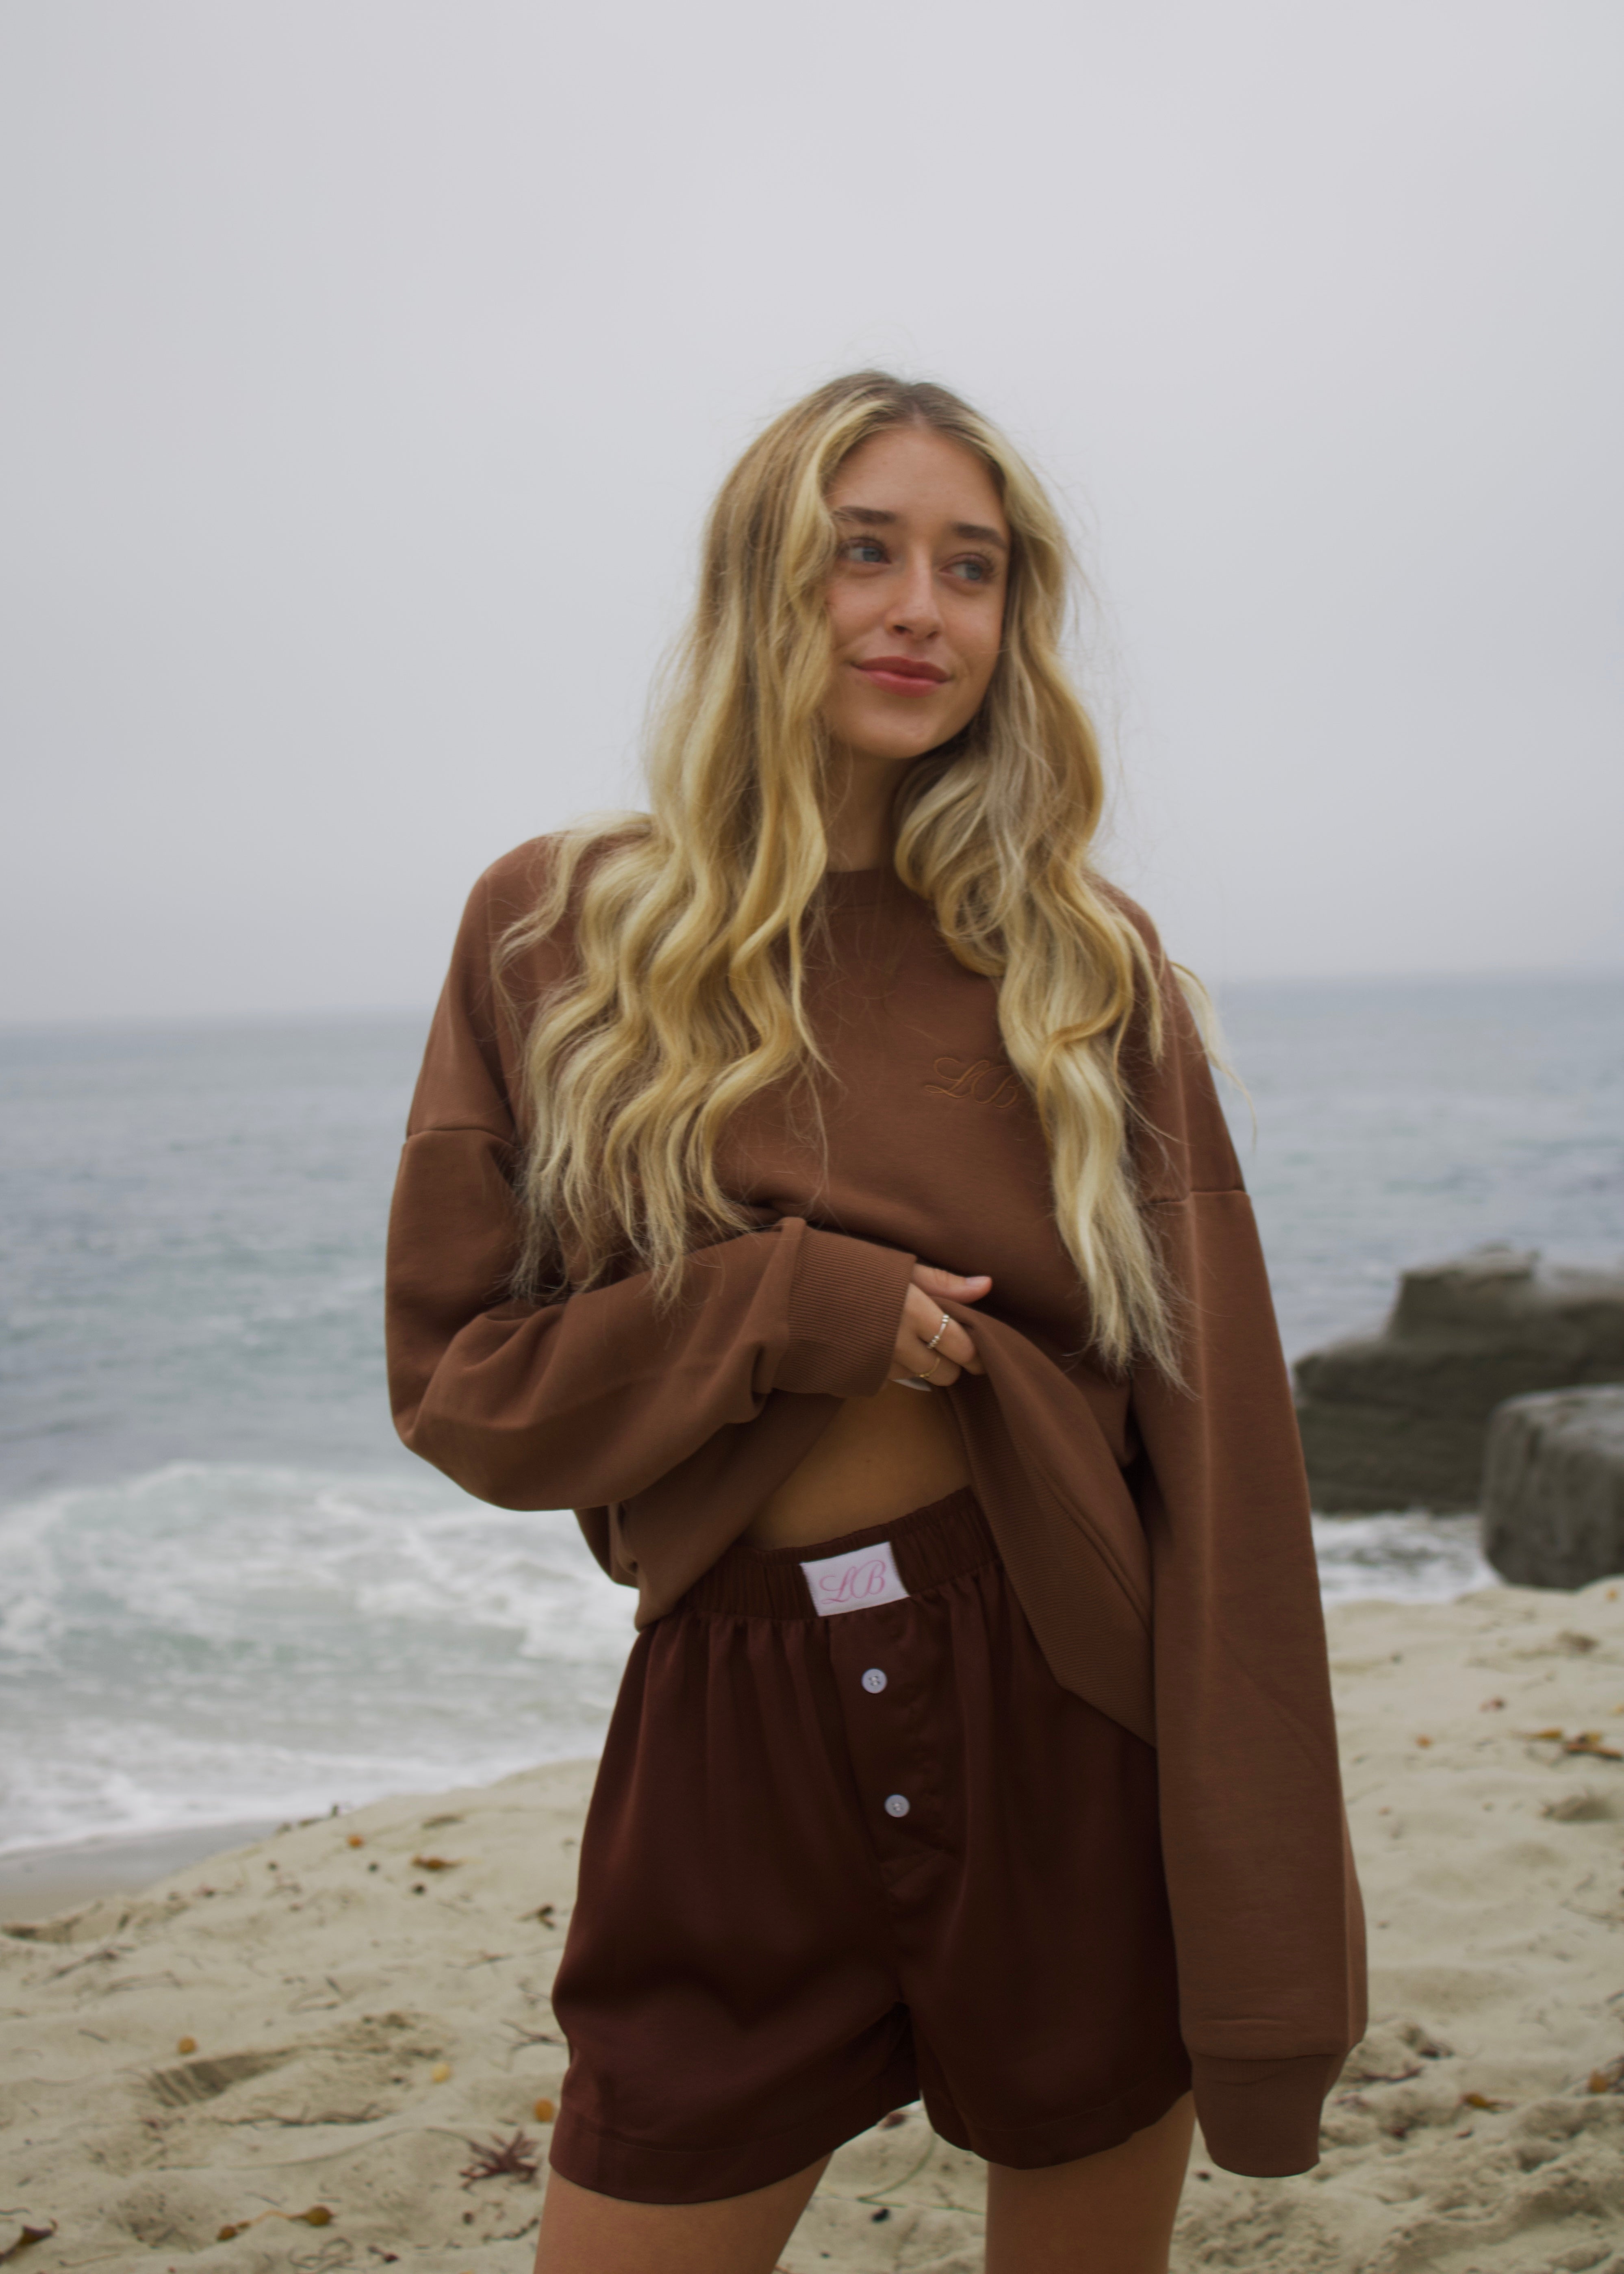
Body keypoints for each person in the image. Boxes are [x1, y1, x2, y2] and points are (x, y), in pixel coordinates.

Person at [384, 371, 1366, 2274]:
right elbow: (464, 1388)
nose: (923, 607)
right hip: (728, 1720)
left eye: (974, 568)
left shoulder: (1087, 966)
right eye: (864, 551)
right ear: (765, 582)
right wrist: (780, 1308)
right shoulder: (556, 928)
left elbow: (1228, 1456)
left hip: (1064, 1710)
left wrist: (1265, 1947)